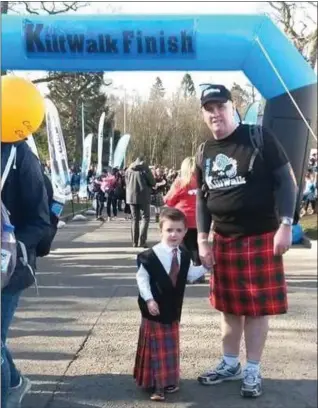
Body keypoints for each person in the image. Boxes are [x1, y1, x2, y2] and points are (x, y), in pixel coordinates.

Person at [195, 84, 297, 398]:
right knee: (228, 309)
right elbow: (202, 198)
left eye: (220, 107)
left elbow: (287, 182)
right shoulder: (203, 151)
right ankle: (229, 364)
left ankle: (252, 368)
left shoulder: (258, 137)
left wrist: (286, 225)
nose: (215, 114)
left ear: (232, 107)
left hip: (261, 238)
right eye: (209, 109)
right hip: (223, 240)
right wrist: (202, 239)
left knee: (256, 310)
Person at [133, 207, 207, 401]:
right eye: (169, 230)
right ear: (161, 231)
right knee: (157, 349)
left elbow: (190, 275)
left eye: (179, 230)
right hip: (154, 309)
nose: (174, 234)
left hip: (173, 309)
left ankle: (169, 380)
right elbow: (142, 280)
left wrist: (207, 266)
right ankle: (157, 386)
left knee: (170, 348)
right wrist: (149, 300)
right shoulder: (148, 257)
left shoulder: (183, 255)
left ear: (185, 232)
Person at [1, 141, 51, 408]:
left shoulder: (20, 155)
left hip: (9, 269)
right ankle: (16, 383)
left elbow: (40, 219)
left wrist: (11, 247)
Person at [164, 157, 205, 283]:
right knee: (196, 247)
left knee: (183, 248)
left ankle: (185, 273)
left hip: (183, 220)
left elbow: (168, 200)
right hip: (199, 219)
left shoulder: (181, 183)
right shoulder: (202, 183)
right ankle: (199, 274)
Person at [126, 157, 156, 247]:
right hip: (144, 196)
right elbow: (152, 182)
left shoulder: (128, 169)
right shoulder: (145, 169)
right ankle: (142, 241)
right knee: (145, 218)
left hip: (131, 196)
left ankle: (134, 242)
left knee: (134, 219)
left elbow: (126, 182)